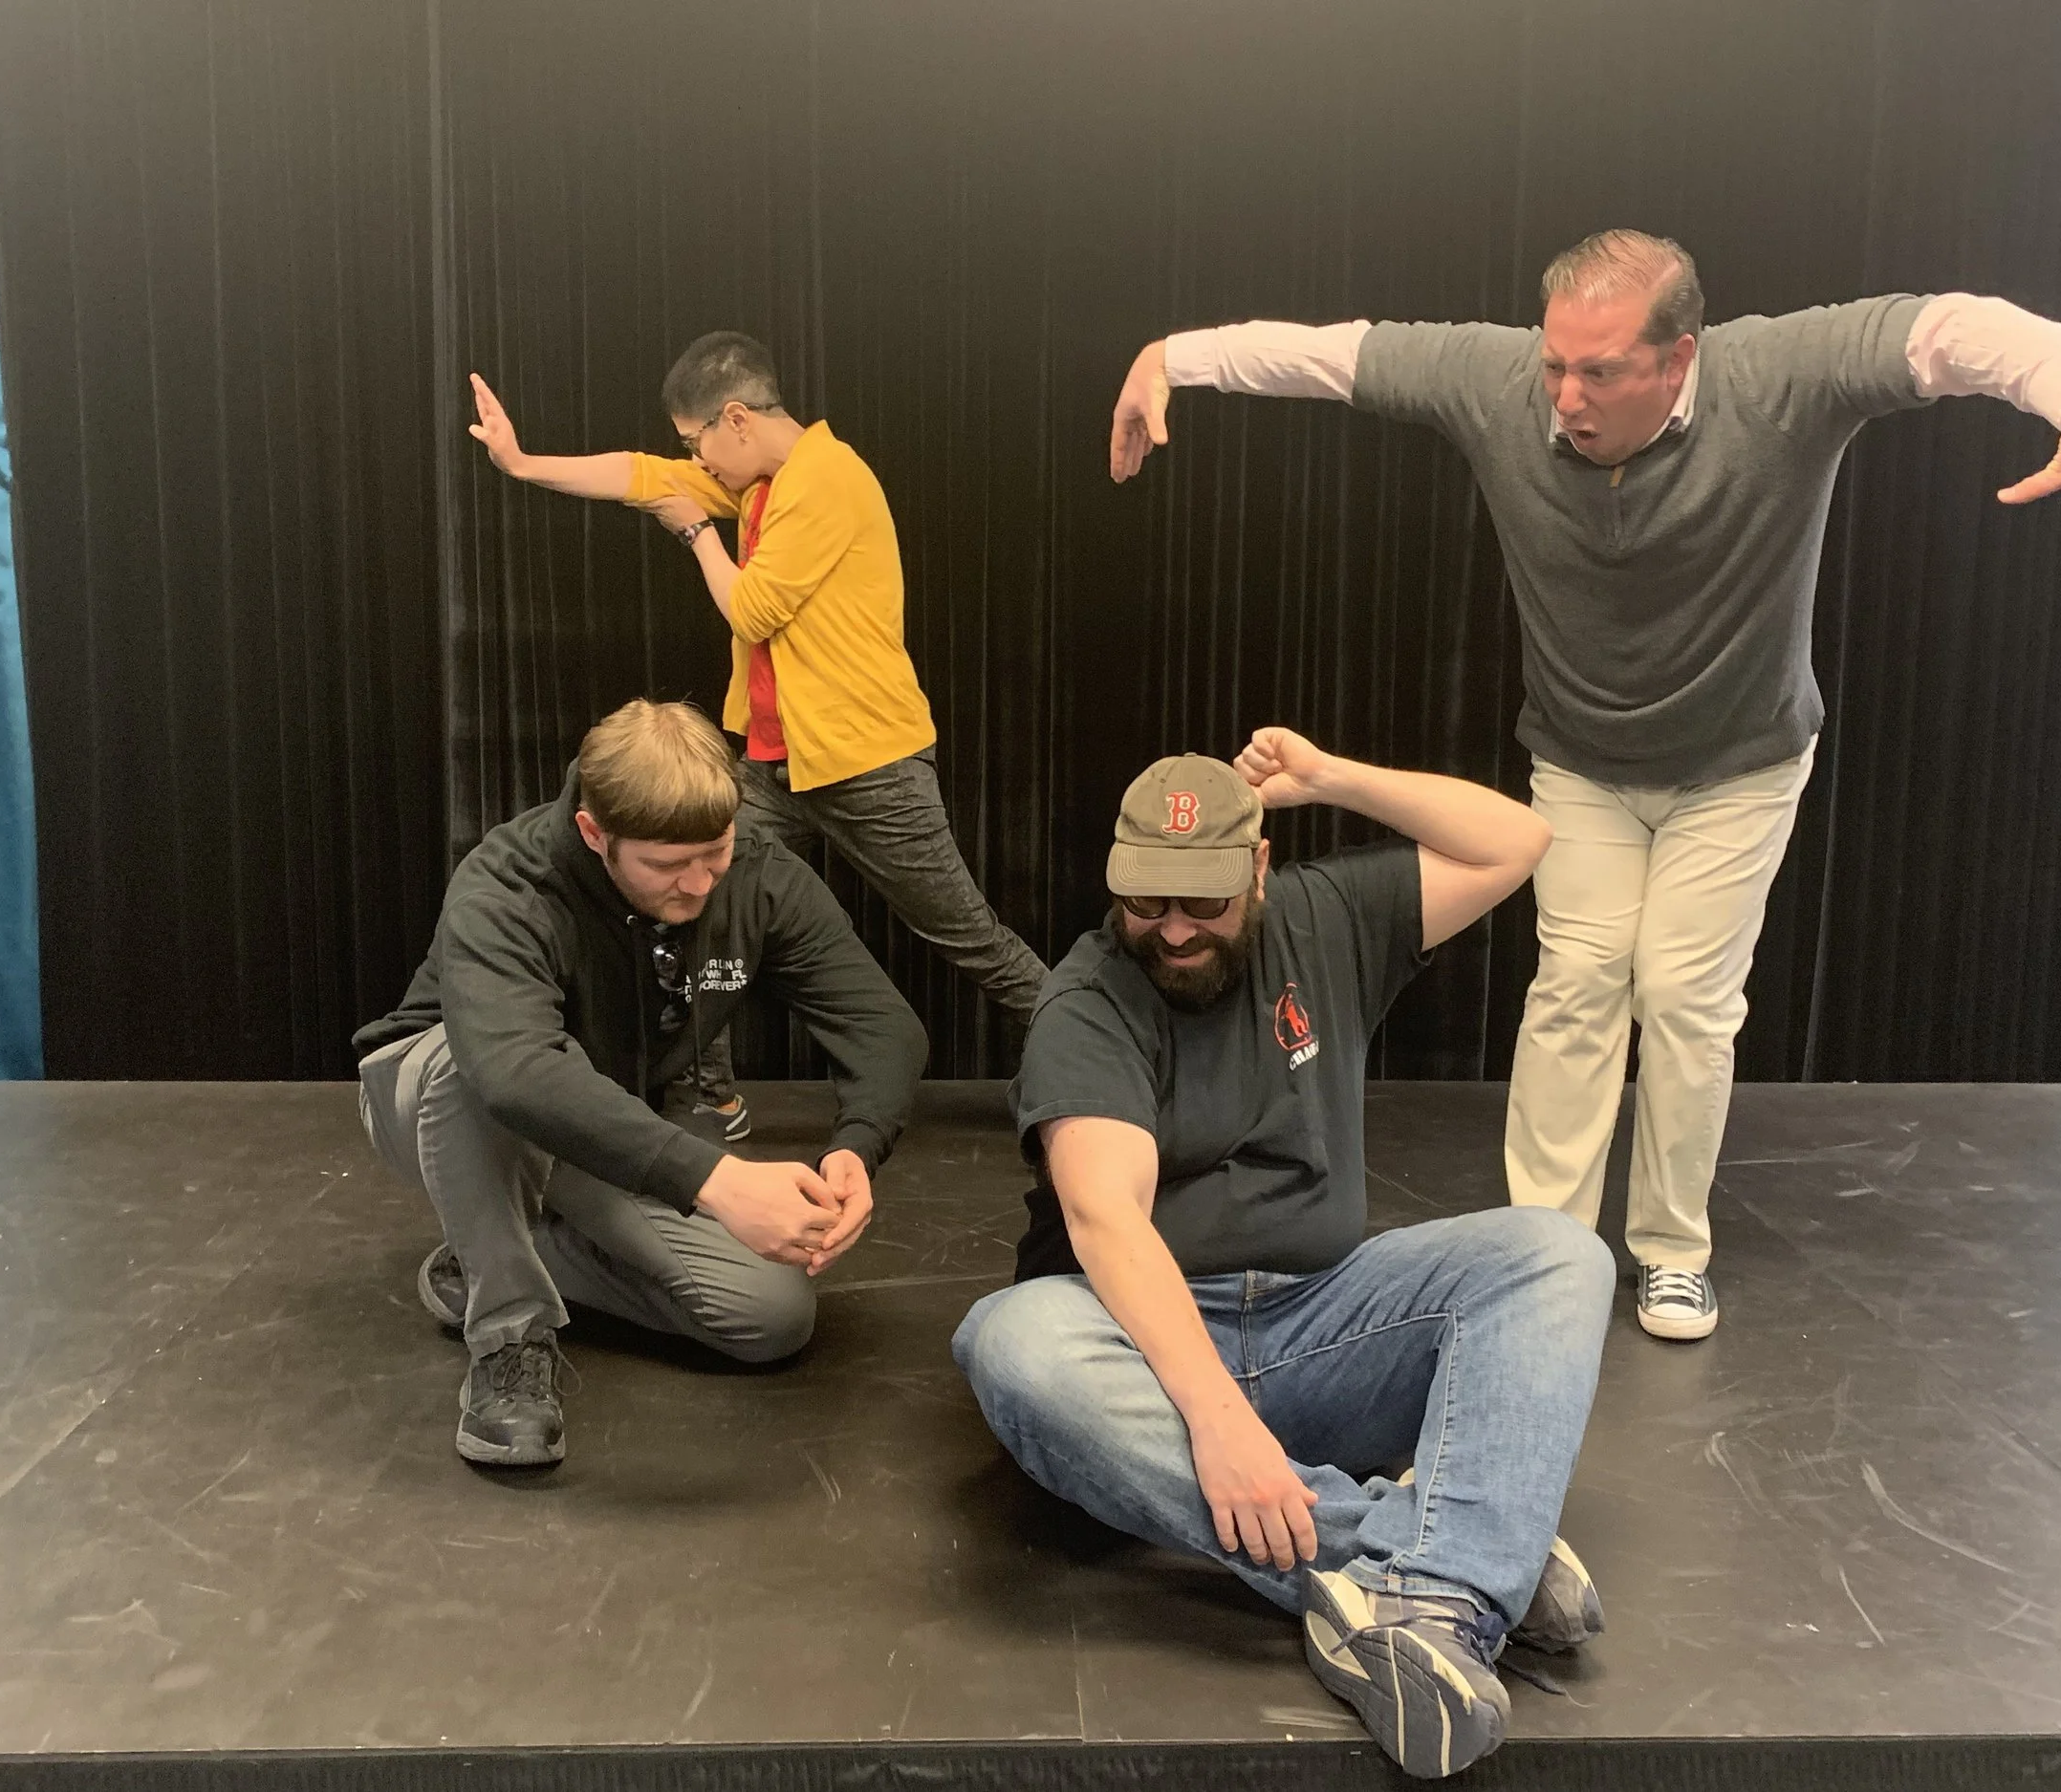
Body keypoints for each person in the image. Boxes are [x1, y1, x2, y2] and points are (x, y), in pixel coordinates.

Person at [1108, 229, 2061, 1342]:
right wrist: (1171, 356)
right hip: (1584, 763)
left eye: (1599, 372)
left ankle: (1670, 1250)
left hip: (1740, 765)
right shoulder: (1498, 382)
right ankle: (1540, 1256)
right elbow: (1332, 355)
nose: (1565, 396)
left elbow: (1950, 333)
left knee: (1685, 998)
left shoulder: (1781, 377)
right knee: (1576, 984)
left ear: (1678, 357)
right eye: (1555, 364)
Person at [953, 729, 1614, 1781]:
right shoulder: (1086, 1000)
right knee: (1013, 1344)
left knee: (1554, 1254)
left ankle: (1439, 1573)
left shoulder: (1325, 915)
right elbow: (1106, 1219)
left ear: (1258, 868)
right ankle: (1446, 1566)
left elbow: (1515, 841)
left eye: (1203, 901)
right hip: (1144, 1354)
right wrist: (1216, 1419)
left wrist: (1334, 780)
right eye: (1146, 901)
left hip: (1324, 1318)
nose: (1173, 929)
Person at [466, 334, 1044, 1139]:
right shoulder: (764, 482)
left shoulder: (827, 478)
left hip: (868, 762)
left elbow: (753, 609)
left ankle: (1087, 1058)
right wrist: (524, 463)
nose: (694, 459)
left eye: (696, 440)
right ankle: (706, 1092)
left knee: (965, 934)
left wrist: (696, 534)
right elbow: (645, 477)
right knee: (700, 903)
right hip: (775, 765)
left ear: (735, 419)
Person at [354, 700, 927, 1468]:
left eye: (714, 852)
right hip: (439, 1097)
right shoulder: (510, 882)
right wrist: (719, 1181)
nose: (698, 883)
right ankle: (510, 1336)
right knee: (480, 1059)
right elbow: (513, 1073)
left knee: (768, 1317)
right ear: (596, 834)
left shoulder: (756, 872)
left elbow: (884, 1024)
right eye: (666, 865)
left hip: (598, 1120)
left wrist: (856, 1146)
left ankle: (488, 1247)